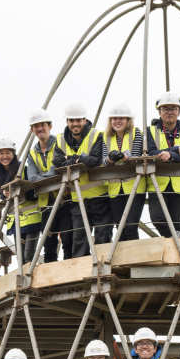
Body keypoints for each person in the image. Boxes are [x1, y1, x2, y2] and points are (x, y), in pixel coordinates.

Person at [56, 103, 108, 258]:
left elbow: (95, 160)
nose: (75, 124)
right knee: (79, 239)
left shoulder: (97, 135)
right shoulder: (60, 140)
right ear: (67, 122)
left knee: (103, 236)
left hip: (99, 196)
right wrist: (80, 159)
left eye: (78, 120)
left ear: (85, 120)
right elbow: (57, 163)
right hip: (77, 198)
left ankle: (104, 265)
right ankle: (82, 268)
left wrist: (72, 158)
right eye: (72, 121)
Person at [26, 109, 73, 262]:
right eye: (36, 126)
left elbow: (56, 170)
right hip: (46, 203)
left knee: (67, 238)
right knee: (48, 242)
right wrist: (49, 176)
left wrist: (43, 178)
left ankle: (70, 268)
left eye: (43, 125)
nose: (40, 128)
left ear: (50, 126)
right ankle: (50, 269)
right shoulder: (32, 153)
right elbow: (32, 177)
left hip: (65, 199)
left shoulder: (60, 143)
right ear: (32, 130)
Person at [146, 92, 180, 236]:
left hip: (179, 185)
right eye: (165, 109)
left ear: (179, 111)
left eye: (173, 108)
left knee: (177, 224)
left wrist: (169, 155)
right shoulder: (150, 131)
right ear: (159, 112)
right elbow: (151, 153)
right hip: (157, 183)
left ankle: (176, 243)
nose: (169, 112)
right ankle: (178, 238)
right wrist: (176, 150)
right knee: (158, 219)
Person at [0, 137, 41, 264]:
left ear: (13, 154)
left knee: (28, 257)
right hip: (16, 221)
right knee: (21, 259)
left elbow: (36, 191)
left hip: (31, 217)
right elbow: (2, 194)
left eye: (8, 153)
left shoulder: (23, 169)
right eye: (1, 153)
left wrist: (21, 190)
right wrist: (4, 194)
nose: (5, 156)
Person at [102, 101, 145, 240]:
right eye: (114, 118)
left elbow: (137, 156)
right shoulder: (106, 137)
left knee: (131, 226)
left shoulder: (136, 133)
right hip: (115, 188)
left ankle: (135, 253)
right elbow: (103, 161)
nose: (117, 121)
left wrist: (125, 157)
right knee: (120, 227)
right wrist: (110, 159)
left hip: (134, 187)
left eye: (121, 118)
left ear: (128, 120)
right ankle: (126, 254)